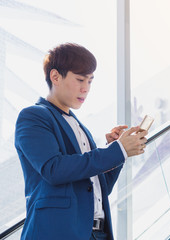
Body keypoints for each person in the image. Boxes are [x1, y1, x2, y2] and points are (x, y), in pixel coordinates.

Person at [14, 43, 147, 240]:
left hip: (97, 233)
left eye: (90, 81)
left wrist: (116, 151)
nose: (85, 88)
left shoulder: (80, 128)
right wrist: (117, 151)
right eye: (79, 79)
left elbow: (98, 189)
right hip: (57, 233)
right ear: (55, 77)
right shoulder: (33, 116)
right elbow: (53, 169)